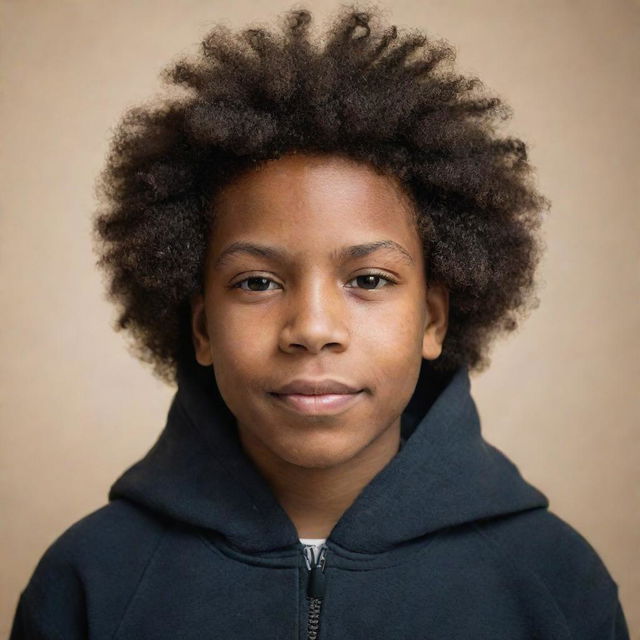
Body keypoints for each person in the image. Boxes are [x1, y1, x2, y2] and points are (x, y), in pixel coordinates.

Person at [9, 4, 630, 639]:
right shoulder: (91, 581)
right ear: (201, 329)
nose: (312, 328)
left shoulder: (555, 582)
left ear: (432, 320)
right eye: (257, 282)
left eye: (368, 280)